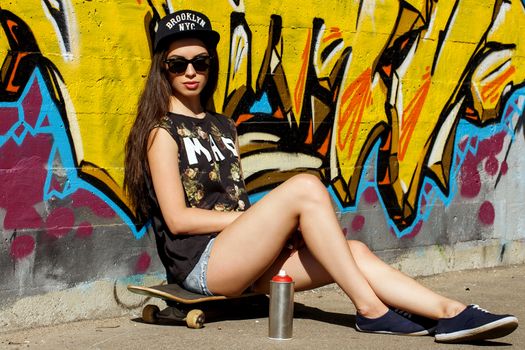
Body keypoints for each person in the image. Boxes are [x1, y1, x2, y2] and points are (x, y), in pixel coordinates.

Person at [124, 9, 518, 343]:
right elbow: (178, 219)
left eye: (201, 62)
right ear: (163, 69)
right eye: (178, 64)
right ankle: (370, 309)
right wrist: (256, 222)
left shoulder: (222, 125)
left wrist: (268, 229)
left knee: (355, 251)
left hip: (243, 257)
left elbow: (234, 203)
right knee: (306, 186)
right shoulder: (162, 132)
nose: (191, 71)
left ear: (211, 64)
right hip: (206, 265)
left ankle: (450, 312)